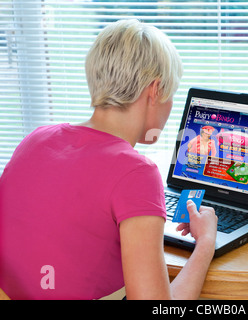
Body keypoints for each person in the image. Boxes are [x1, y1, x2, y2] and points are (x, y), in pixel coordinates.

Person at [0, 19, 217, 300]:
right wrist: (205, 245)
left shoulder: (36, 139)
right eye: (171, 93)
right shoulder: (136, 172)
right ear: (154, 90)